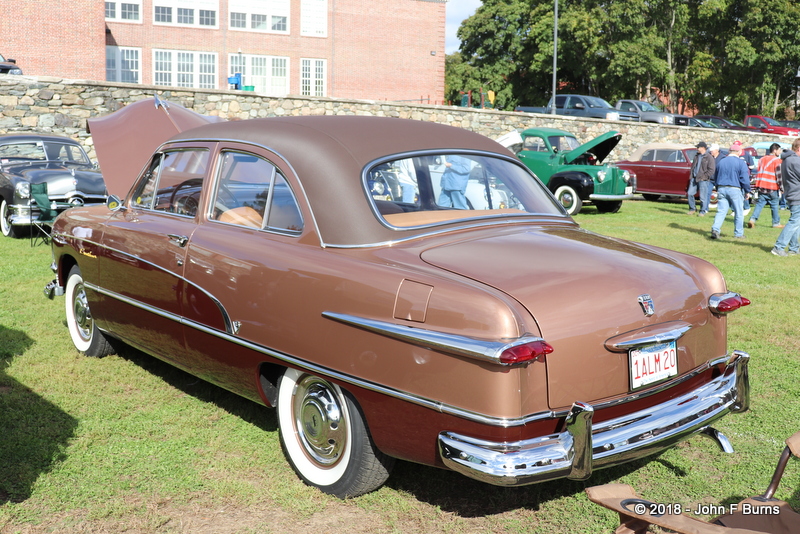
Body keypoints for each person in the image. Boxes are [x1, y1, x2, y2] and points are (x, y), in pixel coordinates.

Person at [710, 141, 751, 240]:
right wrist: (747, 191)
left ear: (729, 151)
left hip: (721, 188)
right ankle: (738, 234)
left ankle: (715, 229)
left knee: (721, 211)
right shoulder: (741, 163)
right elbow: (744, 179)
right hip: (735, 189)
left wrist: (717, 186)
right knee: (738, 212)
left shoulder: (721, 161)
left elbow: (716, 176)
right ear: (739, 152)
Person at [771, 138, 800, 256]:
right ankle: (779, 246)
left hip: (792, 194)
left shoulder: (787, 160)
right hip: (797, 195)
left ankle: (793, 248)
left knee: (796, 222)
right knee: (794, 222)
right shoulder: (795, 161)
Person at [747, 143, 784, 229]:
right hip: (772, 187)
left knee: (760, 204)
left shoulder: (762, 159)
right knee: (774, 205)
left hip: (761, 186)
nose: (780, 151)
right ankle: (776, 223)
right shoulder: (777, 161)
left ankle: (752, 219)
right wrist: (782, 187)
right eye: (779, 150)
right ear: (775, 151)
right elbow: (779, 175)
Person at [687, 141, 715, 216]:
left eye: (698, 147)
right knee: (690, 194)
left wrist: (704, 177)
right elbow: (693, 166)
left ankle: (702, 211)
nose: (697, 149)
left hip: (703, 180)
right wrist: (692, 175)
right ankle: (692, 209)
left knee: (703, 197)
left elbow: (711, 170)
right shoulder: (697, 156)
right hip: (694, 178)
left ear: (703, 148)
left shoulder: (709, 157)